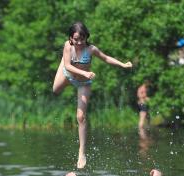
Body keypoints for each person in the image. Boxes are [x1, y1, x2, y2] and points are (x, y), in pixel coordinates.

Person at [52, 22, 133, 168]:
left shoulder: (91, 49)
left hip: (83, 84)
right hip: (68, 74)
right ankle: (62, 62)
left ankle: (81, 152)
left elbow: (106, 58)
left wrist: (122, 64)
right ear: (71, 38)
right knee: (55, 90)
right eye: (76, 39)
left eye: (82, 39)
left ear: (86, 37)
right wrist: (83, 72)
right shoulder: (67, 46)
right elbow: (69, 66)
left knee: (81, 117)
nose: (79, 42)